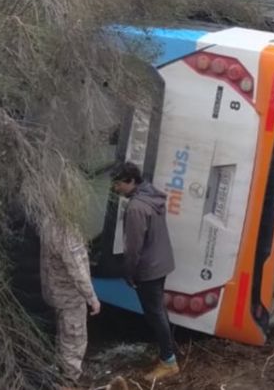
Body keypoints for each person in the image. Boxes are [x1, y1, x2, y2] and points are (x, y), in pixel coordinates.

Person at [111, 161, 179, 381]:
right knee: (159, 310)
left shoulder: (136, 207)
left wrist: (129, 273)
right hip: (162, 263)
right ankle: (168, 351)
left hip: (149, 269)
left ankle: (169, 362)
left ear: (131, 181)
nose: (116, 188)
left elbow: (133, 248)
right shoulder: (151, 194)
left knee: (155, 314)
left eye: (118, 183)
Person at [40, 217, 101, 389]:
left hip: (54, 293)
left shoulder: (48, 221)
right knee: (74, 343)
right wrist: (92, 298)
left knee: (63, 338)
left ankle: (60, 377)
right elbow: (76, 268)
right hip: (70, 298)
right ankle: (69, 382)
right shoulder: (67, 230)